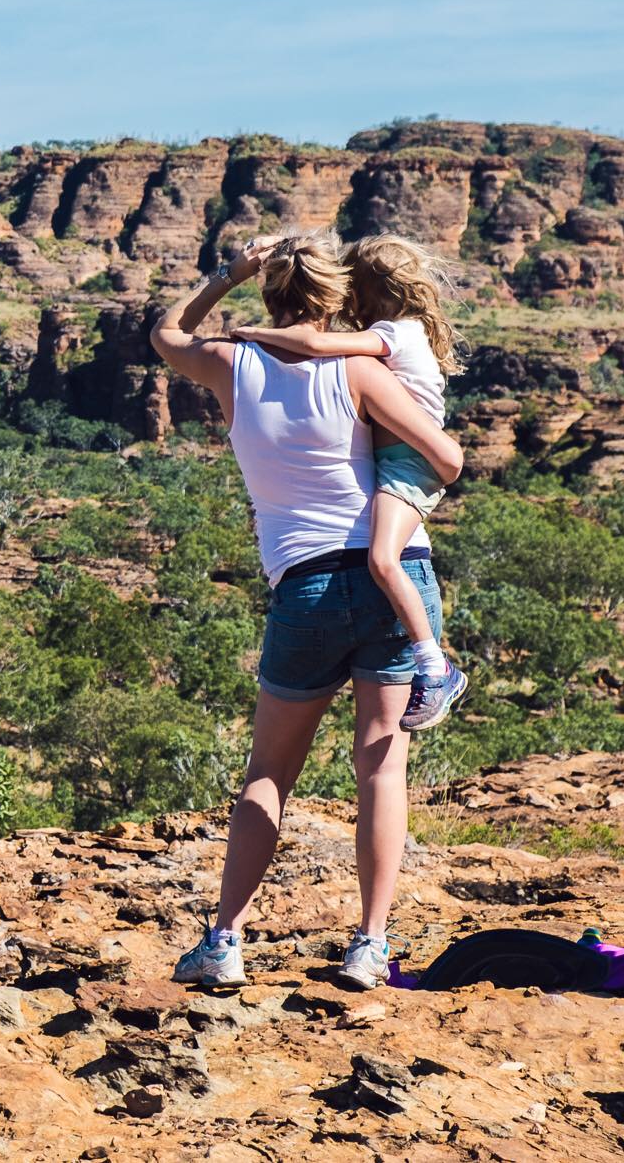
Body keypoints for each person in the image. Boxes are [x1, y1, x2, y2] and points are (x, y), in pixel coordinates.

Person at [147, 229, 463, 991]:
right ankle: (369, 945)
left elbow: (166, 333)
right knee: (381, 767)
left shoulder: (230, 362)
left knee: (268, 773)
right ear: (337, 299)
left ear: (271, 294)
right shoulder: (357, 369)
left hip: (307, 586)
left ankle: (224, 941)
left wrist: (230, 273)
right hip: (396, 577)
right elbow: (445, 456)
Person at [229, 234, 467, 731]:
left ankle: (436, 665)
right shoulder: (403, 330)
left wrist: (253, 332)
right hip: (400, 459)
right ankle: (430, 661)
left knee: (383, 558)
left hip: (407, 462)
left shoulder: (395, 333)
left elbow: (316, 343)